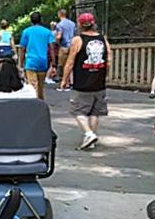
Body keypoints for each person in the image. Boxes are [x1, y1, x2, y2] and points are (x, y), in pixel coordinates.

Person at [61, 13, 111, 150]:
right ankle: (92, 139)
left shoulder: (78, 40)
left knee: (78, 111)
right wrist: (105, 74)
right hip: (99, 80)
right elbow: (108, 59)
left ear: (80, 24)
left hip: (82, 80)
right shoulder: (103, 39)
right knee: (95, 112)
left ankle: (89, 134)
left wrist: (64, 79)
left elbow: (70, 61)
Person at [19, 11, 56, 100]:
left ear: (31, 21)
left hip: (31, 62)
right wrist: (54, 62)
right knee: (40, 86)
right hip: (43, 62)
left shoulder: (26, 31)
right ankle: (41, 103)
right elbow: (52, 48)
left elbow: (22, 49)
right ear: (41, 20)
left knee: (32, 87)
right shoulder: (47, 32)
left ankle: (34, 104)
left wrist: (21, 64)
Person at [55, 9, 77, 91]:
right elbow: (75, 34)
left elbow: (59, 36)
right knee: (71, 64)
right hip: (72, 46)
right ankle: (72, 82)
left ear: (59, 14)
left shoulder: (59, 25)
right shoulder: (72, 23)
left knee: (63, 65)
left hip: (64, 46)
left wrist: (57, 42)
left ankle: (65, 83)